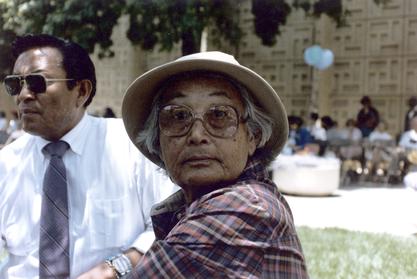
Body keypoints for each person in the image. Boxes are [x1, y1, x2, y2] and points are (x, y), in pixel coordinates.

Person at [0, 34, 174, 278]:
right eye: (16, 84)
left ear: (81, 90)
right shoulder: (6, 165)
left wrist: (115, 268)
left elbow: (169, 225)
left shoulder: (130, 147)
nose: (24, 95)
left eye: (37, 82)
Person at [121, 51, 309, 278]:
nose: (197, 135)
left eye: (219, 115)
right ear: (158, 140)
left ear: (253, 137)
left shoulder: (244, 207)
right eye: (178, 116)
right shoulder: (196, 207)